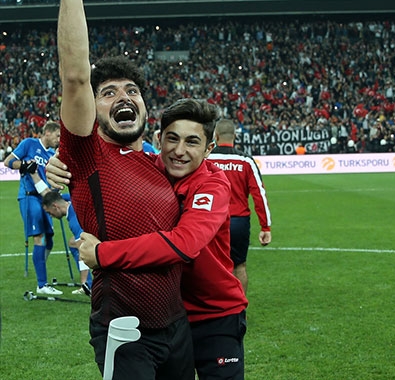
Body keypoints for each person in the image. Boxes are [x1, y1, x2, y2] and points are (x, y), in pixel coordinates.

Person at [51, 0, 193, 380]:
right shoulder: (88, 154)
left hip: (177, 326)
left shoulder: (160, 163)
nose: (123, 97)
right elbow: (76, 75)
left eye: (131, 90)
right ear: (94, 110)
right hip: (125, 329)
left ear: (146, 106)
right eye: (108, 93)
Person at [52, 99, 248, 379]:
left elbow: (185, 243)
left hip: (214, 315)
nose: (179, 151)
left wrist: (103, 254)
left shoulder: (212, 184)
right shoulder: (149, 169)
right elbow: (97, 157)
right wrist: (60, 164)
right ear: (158, 139)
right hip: (170, 317)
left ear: (208, 149)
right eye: (172, 139)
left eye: (192, 142)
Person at [208, 118, 272, 293]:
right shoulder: (246, 161)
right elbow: (259, 195)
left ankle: (217, 311)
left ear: (216, 135)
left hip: (210, 221)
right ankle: (239, 310)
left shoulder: (206, 159)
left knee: (213, 267)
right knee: (240, 266)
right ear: (235, 136)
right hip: (238, 222)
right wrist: (265, 226)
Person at [3, 121, 61, 295]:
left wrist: (56, 187)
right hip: (29, 197)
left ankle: (40, 272)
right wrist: (23, 165)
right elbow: (8, 161)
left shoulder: (51, 154)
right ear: (48, 133)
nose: (59, 139)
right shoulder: (29, 143)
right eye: (57, 135)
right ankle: (42, 284)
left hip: (46, 198)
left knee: (49, 239)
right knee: (40, 237)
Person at [41, 190, 92, 294]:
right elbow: (61, 197)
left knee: (80, 247)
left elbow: (83, 252)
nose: (50, 216)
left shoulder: (74, 221)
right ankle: (89, 282)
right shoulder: (71, 199)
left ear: (55, 206)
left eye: (49, 212)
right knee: (72, 243)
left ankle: (87, 283)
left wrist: (83, 283)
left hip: (102, 233)